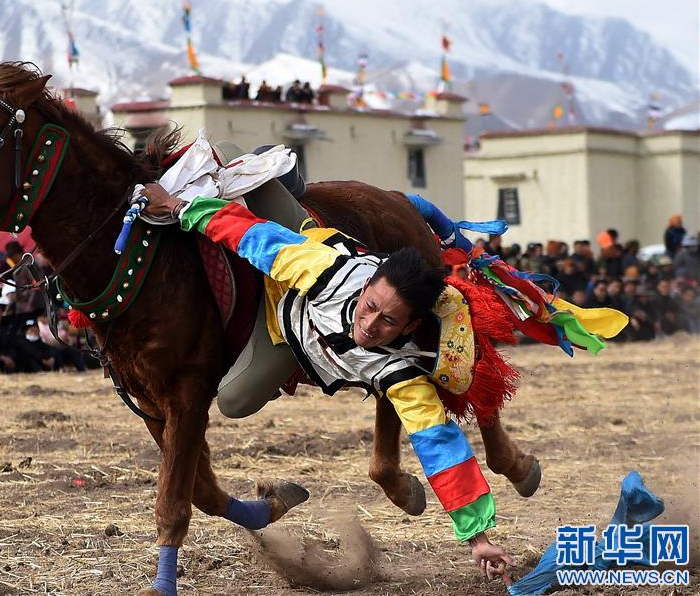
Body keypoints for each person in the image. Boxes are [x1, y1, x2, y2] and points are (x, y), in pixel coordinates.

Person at [141, 183, 627, 582]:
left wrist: (478, 537)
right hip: (281, 308)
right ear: (366, 285)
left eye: (388, 322)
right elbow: (248, 233)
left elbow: (441, 445)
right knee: (249, 167)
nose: (370, 326)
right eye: (370, 306)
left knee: (231, 399)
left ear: (410, 328)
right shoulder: (321, 270)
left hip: (299, 349)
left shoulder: (403, 373)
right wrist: (177, 205)